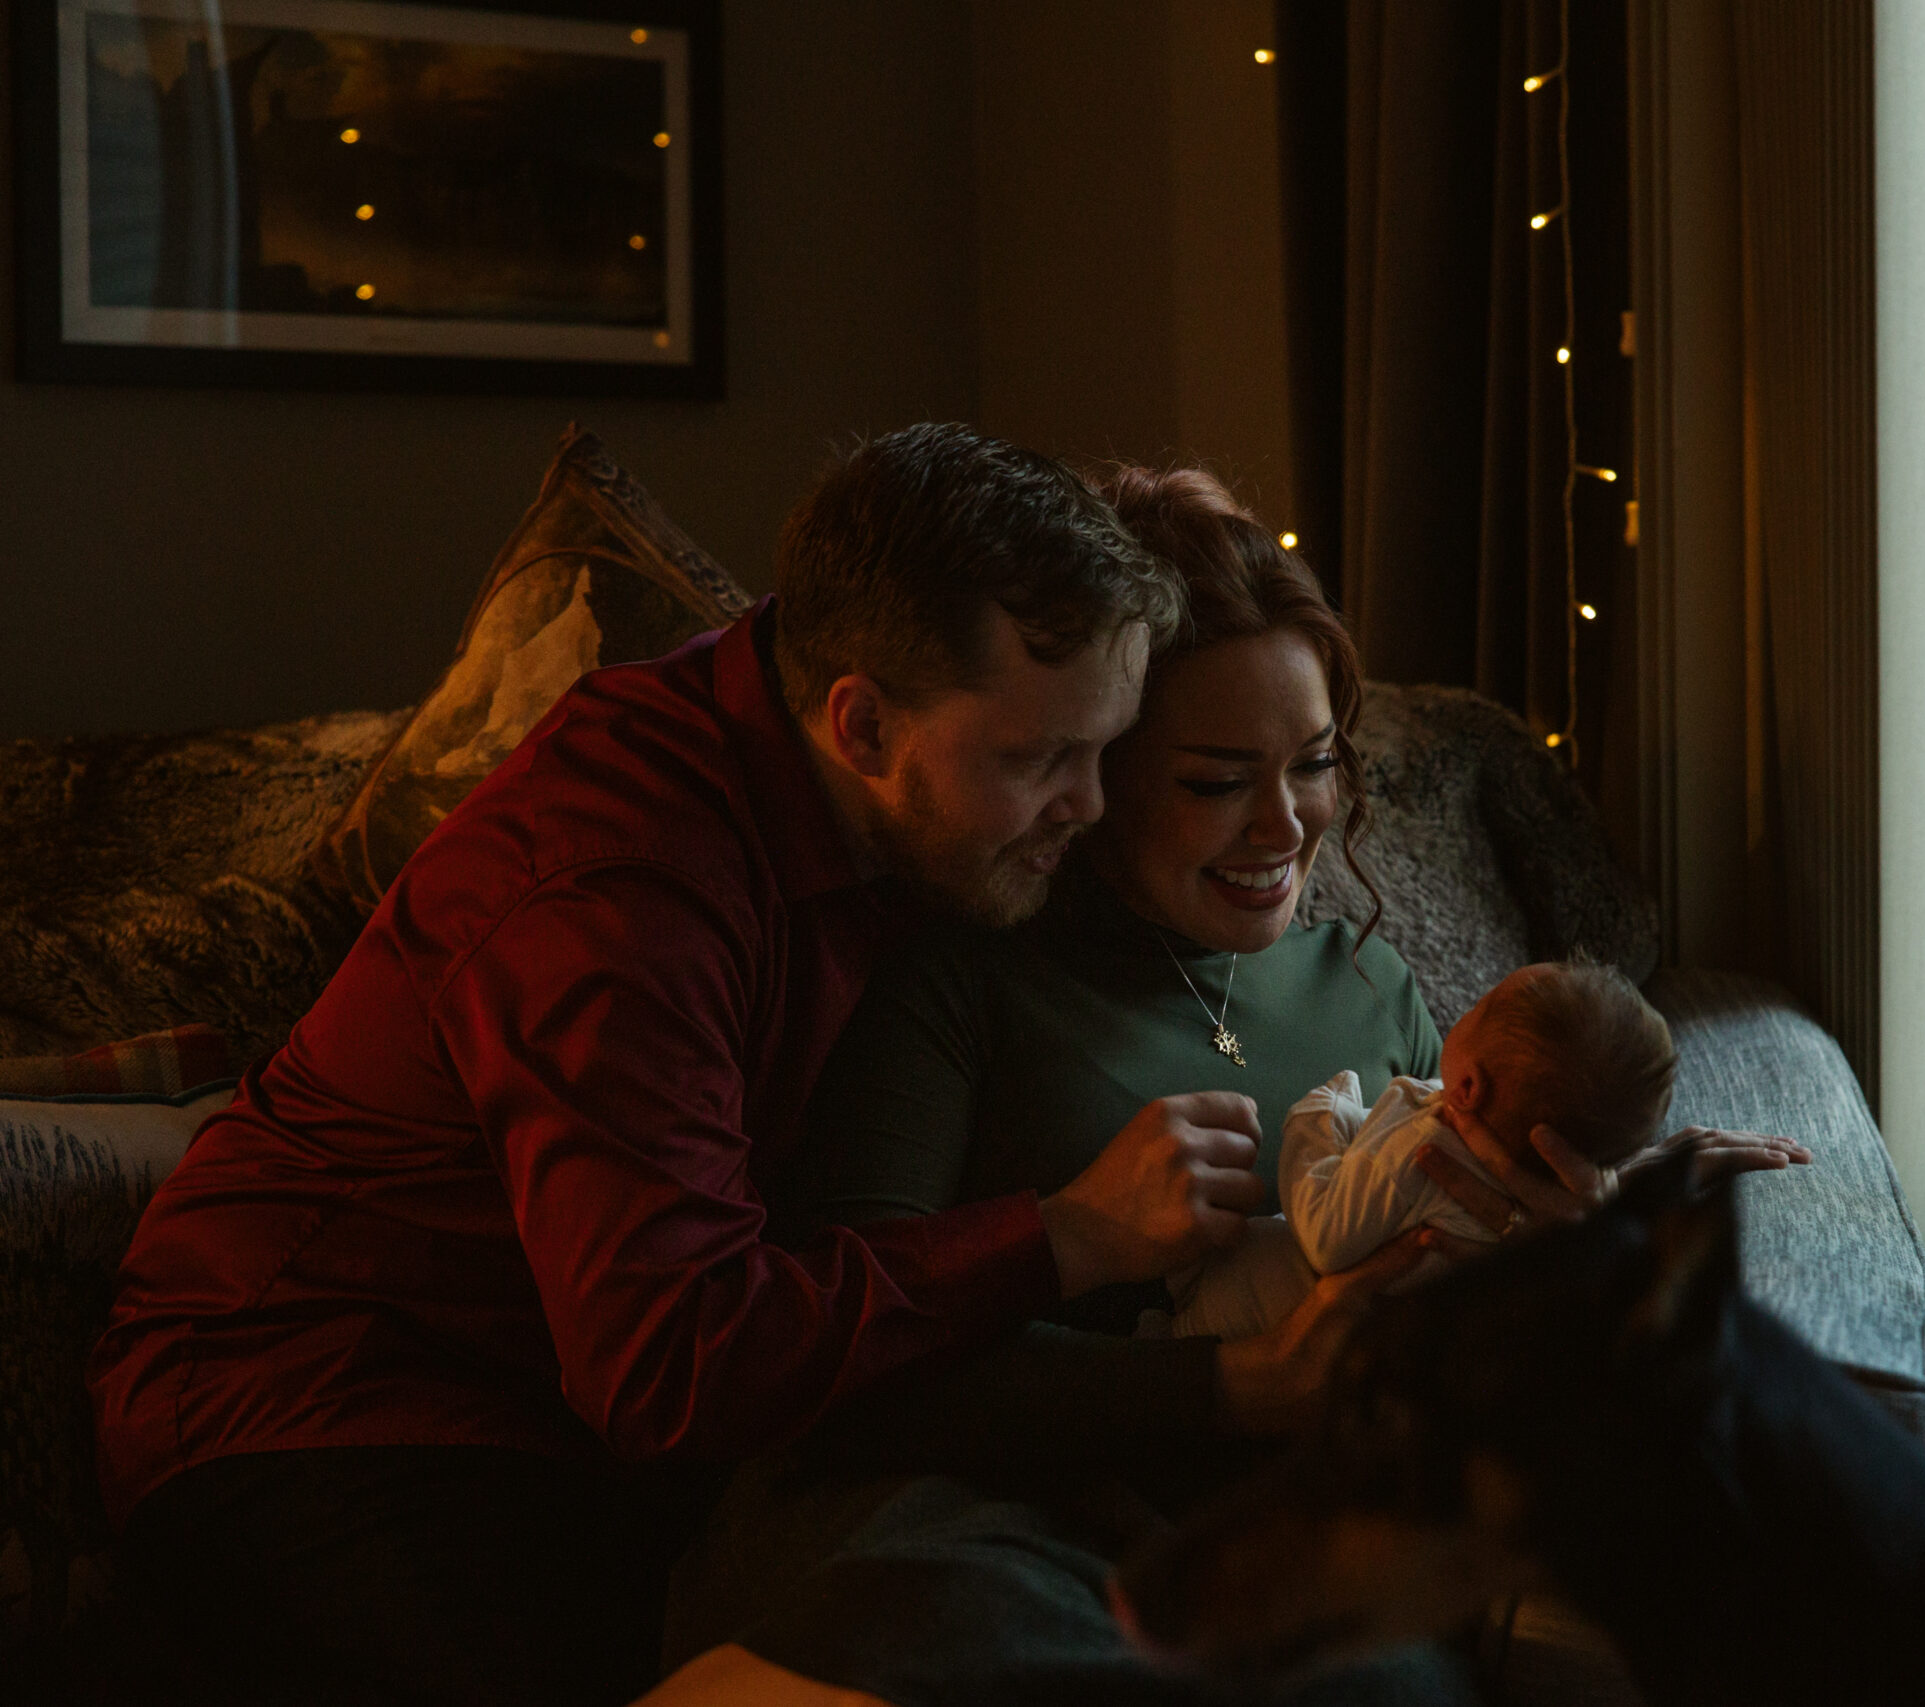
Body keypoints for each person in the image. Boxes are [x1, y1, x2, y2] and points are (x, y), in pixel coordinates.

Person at [85, 424, 1285, 1707]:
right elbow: (675, 1362)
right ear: (861, 721)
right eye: (1041, 760)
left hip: (573, 1425)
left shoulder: (897, 774)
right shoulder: (618, 891)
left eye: (1103, 751)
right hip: (316, 1403)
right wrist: (1060, 1237)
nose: (1090, 806)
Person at [646, 467, 1808, 1706]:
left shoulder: (1373, 988)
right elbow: (843, 1386)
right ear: (1092, 777)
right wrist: (1228, 1389)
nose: (1287, 827)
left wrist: (1568, 1250)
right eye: (1214, 781)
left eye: (1311, 764)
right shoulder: (956, 973)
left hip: (1269, 1534)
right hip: (966, 1519)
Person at [1165, 958, 1681, 1340]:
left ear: (1471, 1089)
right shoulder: (1508, 1146)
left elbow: (1326, 1235)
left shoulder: (1428, 1151)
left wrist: (1316, 1119)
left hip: (1245, 1318)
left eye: (1477, 1006)